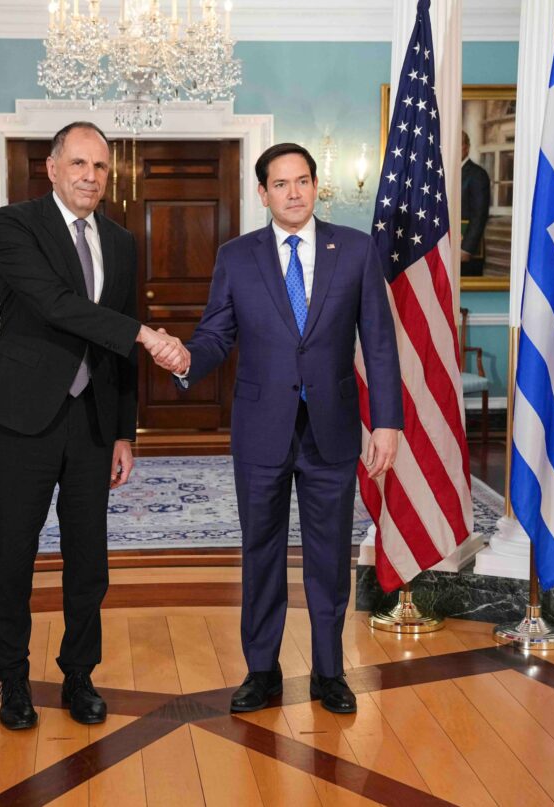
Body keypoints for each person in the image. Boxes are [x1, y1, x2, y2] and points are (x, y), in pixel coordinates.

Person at [168, 143, 402, 714]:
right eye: (280, 184)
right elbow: (216, 334)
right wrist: (186, 359)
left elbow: (378, 342)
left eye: (302, 181)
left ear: (317, 185)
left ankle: (329, 672)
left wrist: (386, 422)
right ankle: (261, 671)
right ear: (263, 193)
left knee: (329, 555)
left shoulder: (355, 249)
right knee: (261, 552)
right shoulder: (236, 256)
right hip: (261, 429)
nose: (293, 193)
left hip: (332, 427)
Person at [0, 121, 186, 730]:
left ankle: (79, 674)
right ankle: (13, 680)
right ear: (52, 168)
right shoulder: (14, 225)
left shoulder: (120, 240)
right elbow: (55, 304)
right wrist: (146, 335)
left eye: (100, 167)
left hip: (93, 421)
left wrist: (124, 432)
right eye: (79, 164)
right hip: (23, 418)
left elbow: (117, 347)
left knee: (89, 558)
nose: (91, 177)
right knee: (14, 553)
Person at [460, 131, 491, 277]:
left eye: (459, 144)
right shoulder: (445, 172)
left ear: (467, 147)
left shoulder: (477, 174)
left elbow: (480, 215)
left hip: (467, 253)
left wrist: (466, 248)